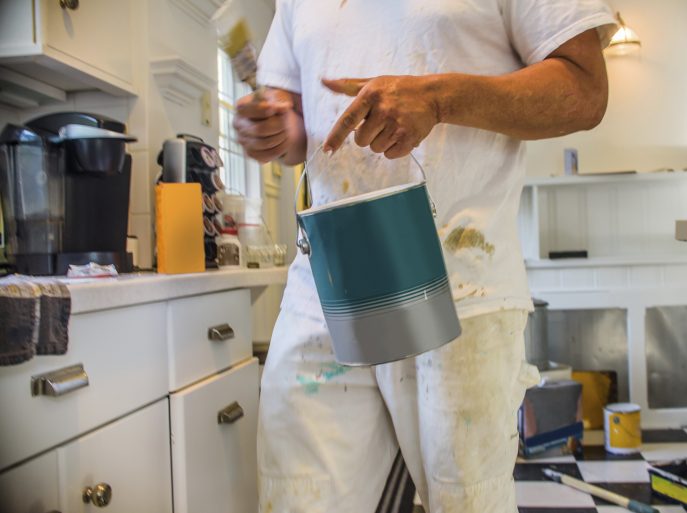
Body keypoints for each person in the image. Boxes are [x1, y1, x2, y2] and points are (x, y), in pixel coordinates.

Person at [234, 1, 616, 512]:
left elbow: (585, 92)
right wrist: (274, 129)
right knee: (299, 500)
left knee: (464, 503)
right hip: (326, 288)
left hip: (460, 289)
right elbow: (298, 127)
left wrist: (438, 98)